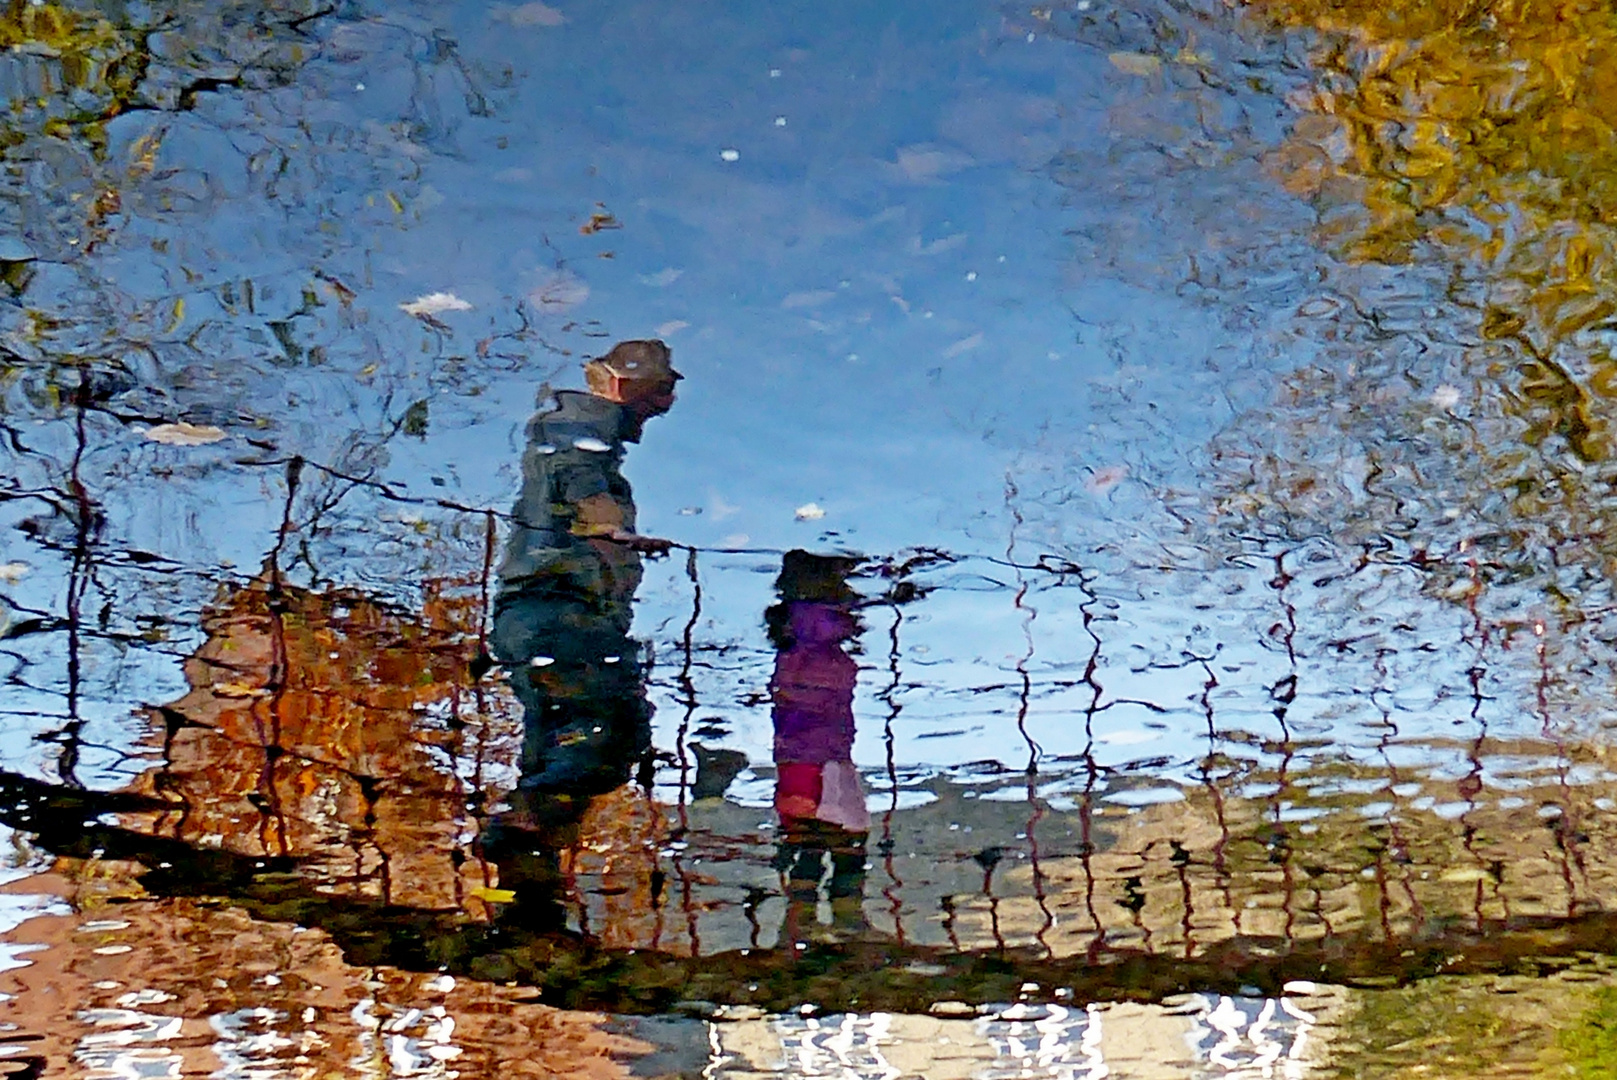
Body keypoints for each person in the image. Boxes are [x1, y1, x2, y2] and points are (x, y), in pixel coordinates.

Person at [480, 340, 679, 932]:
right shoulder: (579, 424)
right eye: (662, 386)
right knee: (613, 732)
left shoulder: (586, 435)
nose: (667, 399)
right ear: (624, 383)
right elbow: (576, 468)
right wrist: (613, 532)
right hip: (563, 610)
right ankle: (518, 832)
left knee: (553, 745)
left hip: (538, 613)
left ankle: (527, 900)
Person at [766, 550, 872, 941]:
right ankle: (839, 914)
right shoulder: (811, 626)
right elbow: (834, 628)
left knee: (816, 836)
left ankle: (805, 916)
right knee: (839, 833)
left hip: (812, 752)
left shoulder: (797, 636)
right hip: (817, 753)